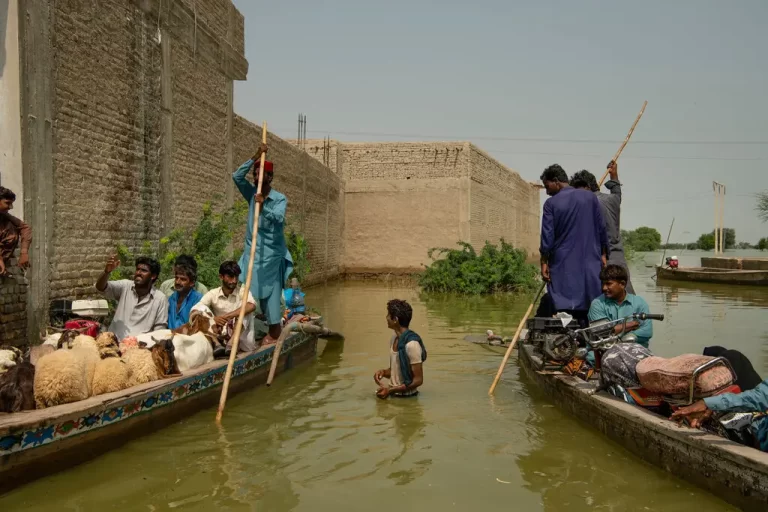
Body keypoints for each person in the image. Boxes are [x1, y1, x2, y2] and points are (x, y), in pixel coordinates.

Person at [233, 143, 293, 344]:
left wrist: (263, 205)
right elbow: (236, 177)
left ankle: (275, 330)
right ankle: (238, 328)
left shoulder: (279, 199)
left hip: (272, 255)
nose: (256, 176)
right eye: (255, 173)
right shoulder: (251, 193)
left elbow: (279, 218)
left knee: (271, 293)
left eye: (261, 173)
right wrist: (255, 156)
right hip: (252, 252)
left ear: (270, 177)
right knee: (244, 288)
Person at [540, 164, 609, 325]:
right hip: (590, 263)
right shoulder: (590, 197)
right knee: (591, 305)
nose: (547, 191)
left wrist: (544, 262)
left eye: (547, 186)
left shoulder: (551, 204)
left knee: (564, 309)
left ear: (556, 181)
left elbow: (547, 237)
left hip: (563, 266)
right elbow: (602, 229)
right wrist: (604, 254)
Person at [570, 161, 634, 294]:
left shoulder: (587, 204)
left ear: (587, 187)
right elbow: (616, 190)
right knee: (625, 295)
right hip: (618, 258)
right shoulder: (613, 199)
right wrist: (614, 174)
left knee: (603, 296)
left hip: (600, 259)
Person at [671, 379, 768, 452]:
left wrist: (708, 404)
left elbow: (754, 399)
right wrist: (708, 404)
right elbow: (756, 398)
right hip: (757, 427)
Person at [194, 261, 262, 354]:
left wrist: (227, 316)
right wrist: (213, 319)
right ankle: (217, 343)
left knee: (245, 309)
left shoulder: (243, 291)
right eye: (230, 277)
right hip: (221, 336)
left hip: (243, 340)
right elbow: (197, 308)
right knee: (201, 309)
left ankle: (232, 342)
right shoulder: (213, 293)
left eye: (236, 277)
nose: (234, 281)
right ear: (221, 277)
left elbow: (252, 305)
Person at [96, 255, 168, 341]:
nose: (138, 273)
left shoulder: (160, 298)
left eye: (144, 271)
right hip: (114, 342)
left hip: (140, 347)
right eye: (137, 269)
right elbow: (100, 287)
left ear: (153, 276)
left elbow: (159, 330)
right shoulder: (125, 286)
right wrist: (106, 272)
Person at [373, 299, 427, 398]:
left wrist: (390, 390)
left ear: (395, 319)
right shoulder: (394, 338)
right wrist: (383, 372)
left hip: (408, 399)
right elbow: (395, 371)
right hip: (394, 395)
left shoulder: (412, 345)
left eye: (388, 314)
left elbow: (418, 380)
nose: (386, 317)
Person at [588, 264, 652, 347]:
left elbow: (647, 332)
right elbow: (602, 333)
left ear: (622, 284)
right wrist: (629, 325)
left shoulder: (639, 302)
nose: (604, 288)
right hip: (604, 350)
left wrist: (627, 337)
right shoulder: (597, 304)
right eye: (603, 284)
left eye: (608, 284)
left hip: (634, 349)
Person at [0, 187, 31, 277]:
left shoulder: (4, 215)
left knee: (12, 228)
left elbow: (25, 227)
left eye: (11, 203)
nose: (10, 207)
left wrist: (24, 252)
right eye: (7, 203)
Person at [167, 262, 204, 330]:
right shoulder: (171, 298)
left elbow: (197, 326)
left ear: (192, 283)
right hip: (169, 334)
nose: (177, 282)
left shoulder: (198, 299)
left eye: (183, 279)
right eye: (176, 278)